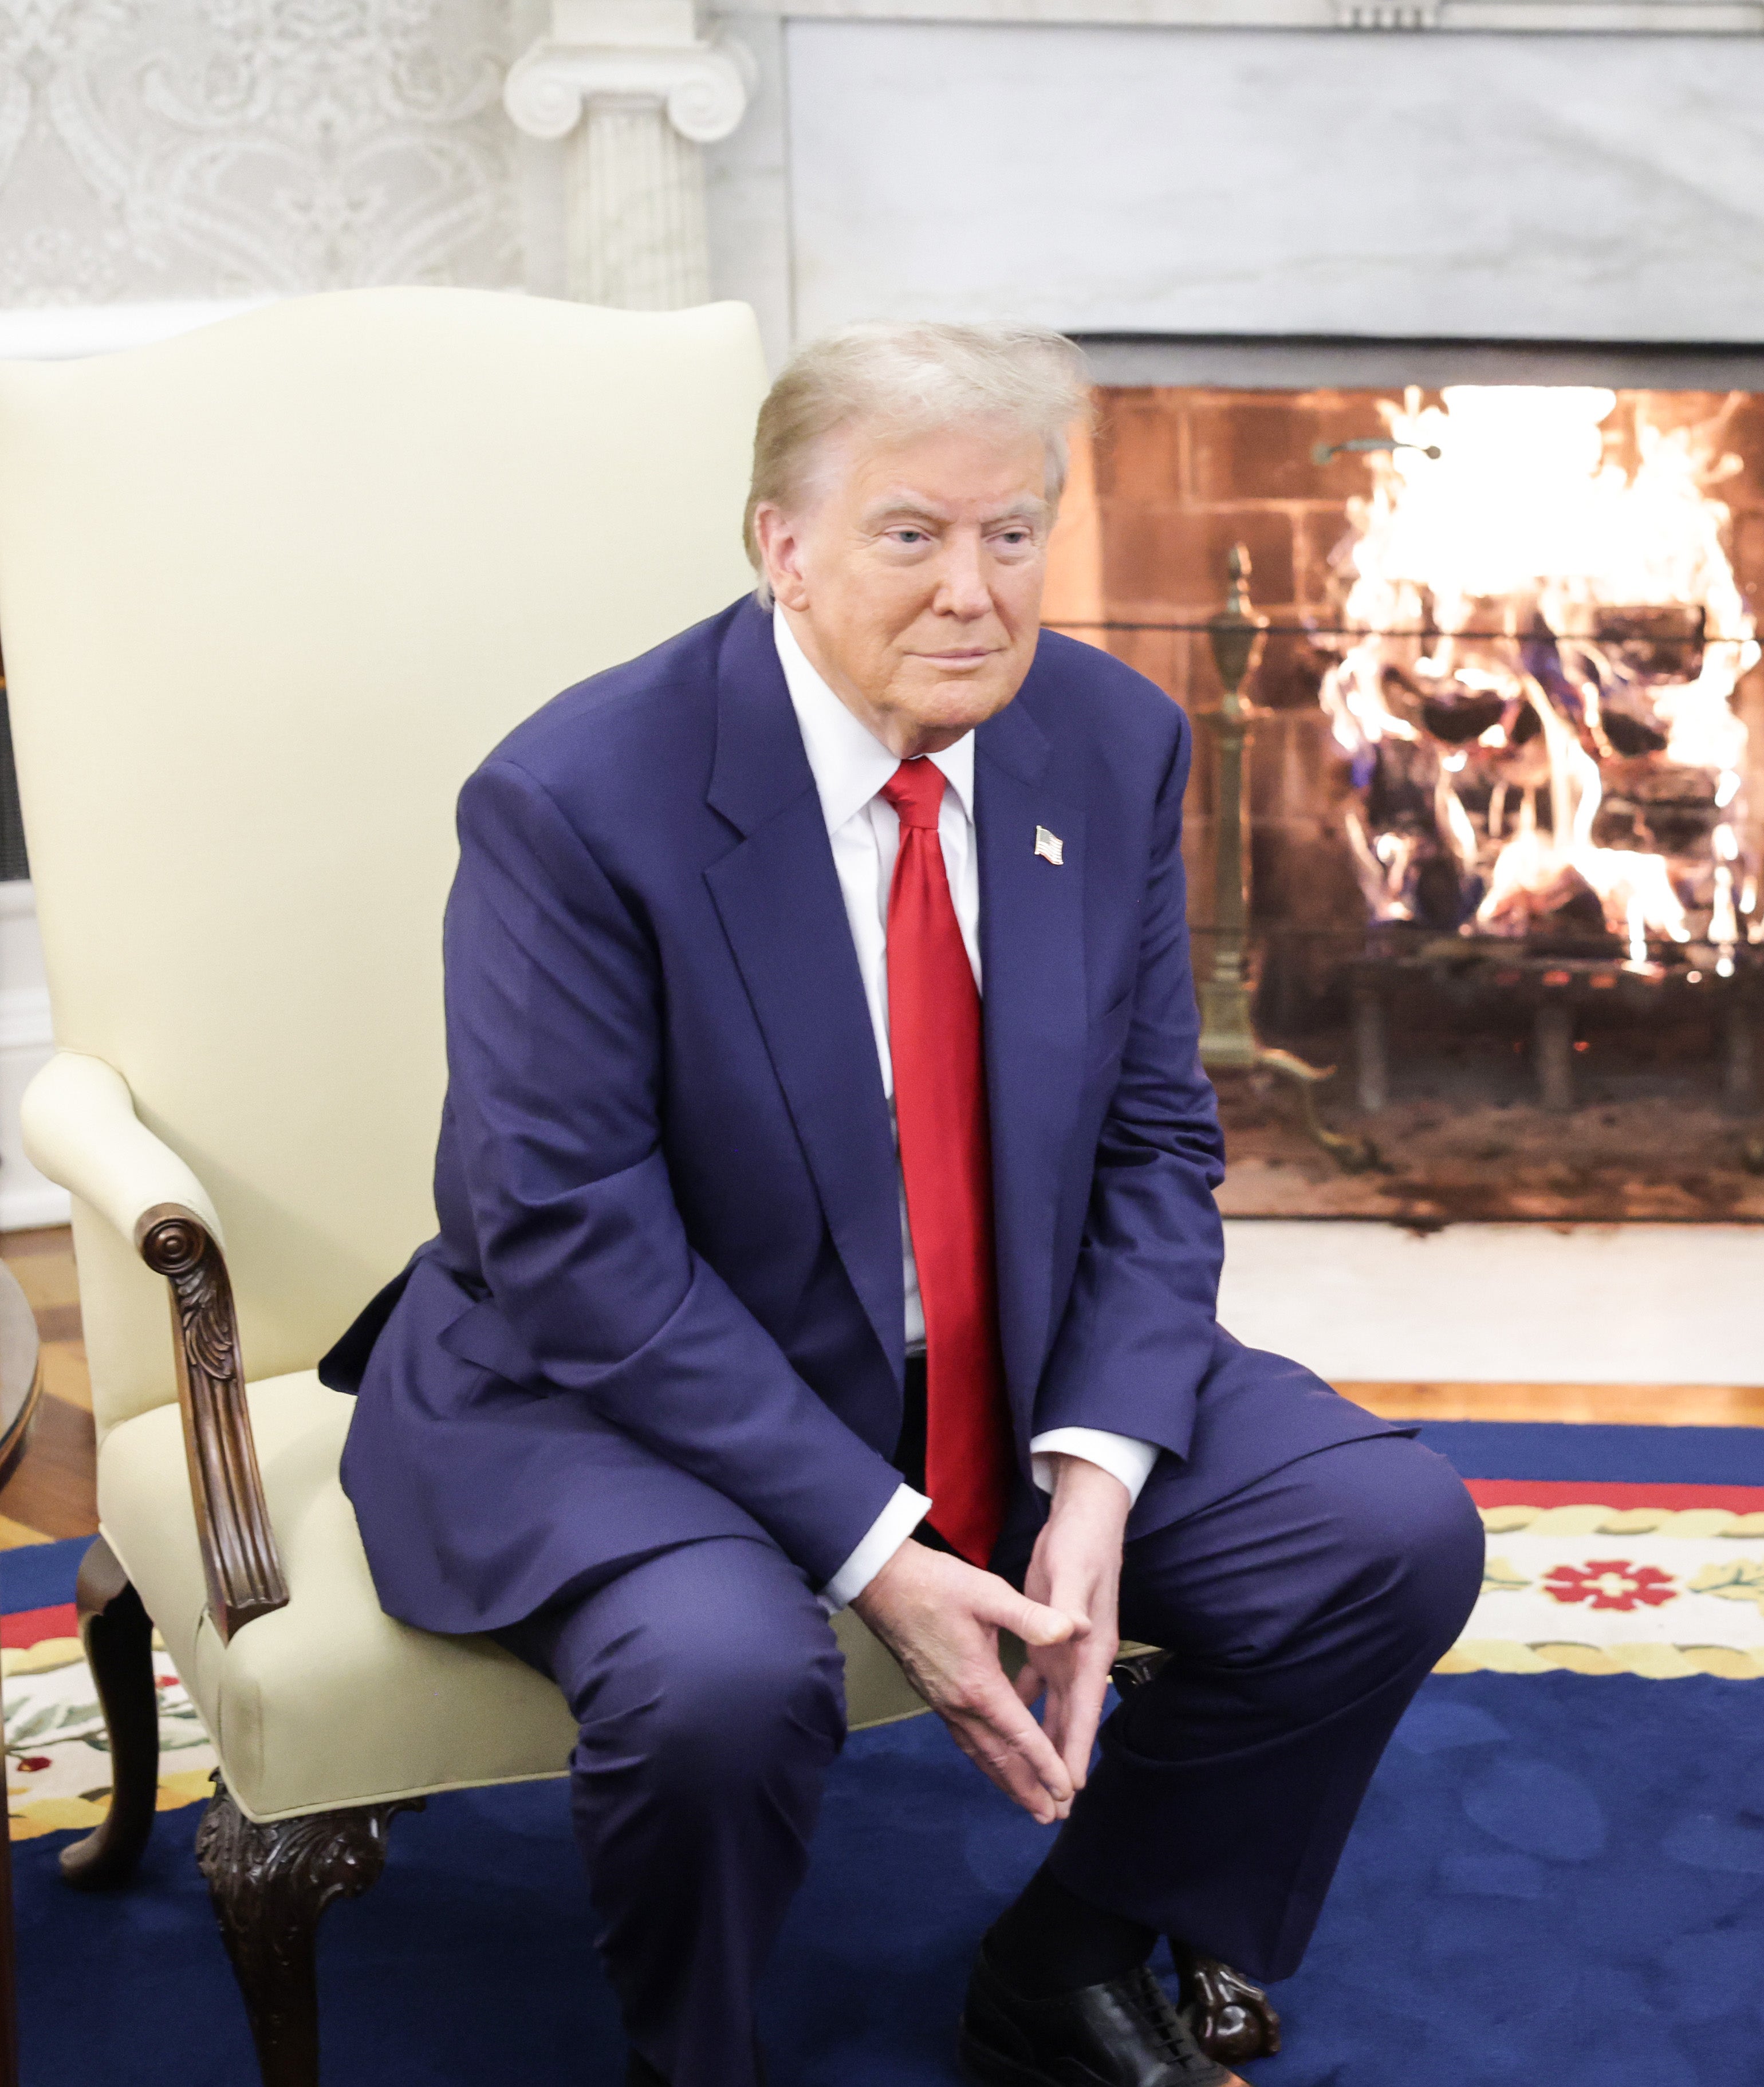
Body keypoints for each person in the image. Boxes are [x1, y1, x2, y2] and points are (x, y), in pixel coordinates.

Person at [328, 320, 1483, 2087]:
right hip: (618, 1388)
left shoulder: (1107, 742)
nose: (974, 591)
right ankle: (690, 2056)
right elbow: (569, 1235)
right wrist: (882, 1550)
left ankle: (1071, 1953)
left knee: (1384, 1538)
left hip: (985, 1345)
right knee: (723, 1679)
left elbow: (1154, 1140)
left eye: (1012, 534)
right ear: (781, 547)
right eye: (909, 534)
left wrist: (1097, 1474)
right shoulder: (577, 800)